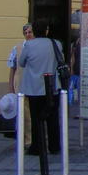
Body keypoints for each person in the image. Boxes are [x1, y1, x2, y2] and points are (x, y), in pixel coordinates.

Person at [17, 21, 61, 155]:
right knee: (53, 118)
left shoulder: (29, 45)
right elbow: (61, 60)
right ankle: (54, 146)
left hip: (34, 88)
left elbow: (21, 62)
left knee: (36, 119)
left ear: (34, 31)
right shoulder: (56, 43)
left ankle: (37, 147)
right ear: (46, 30)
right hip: (52, 86)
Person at [7, 23, 33, 93]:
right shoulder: (17, 48)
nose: (27, 34)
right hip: (20, 85)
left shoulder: (38, 47)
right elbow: (12, 68)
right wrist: (11, 88)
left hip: (34, 87)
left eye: (30, 32)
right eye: (25, 33)